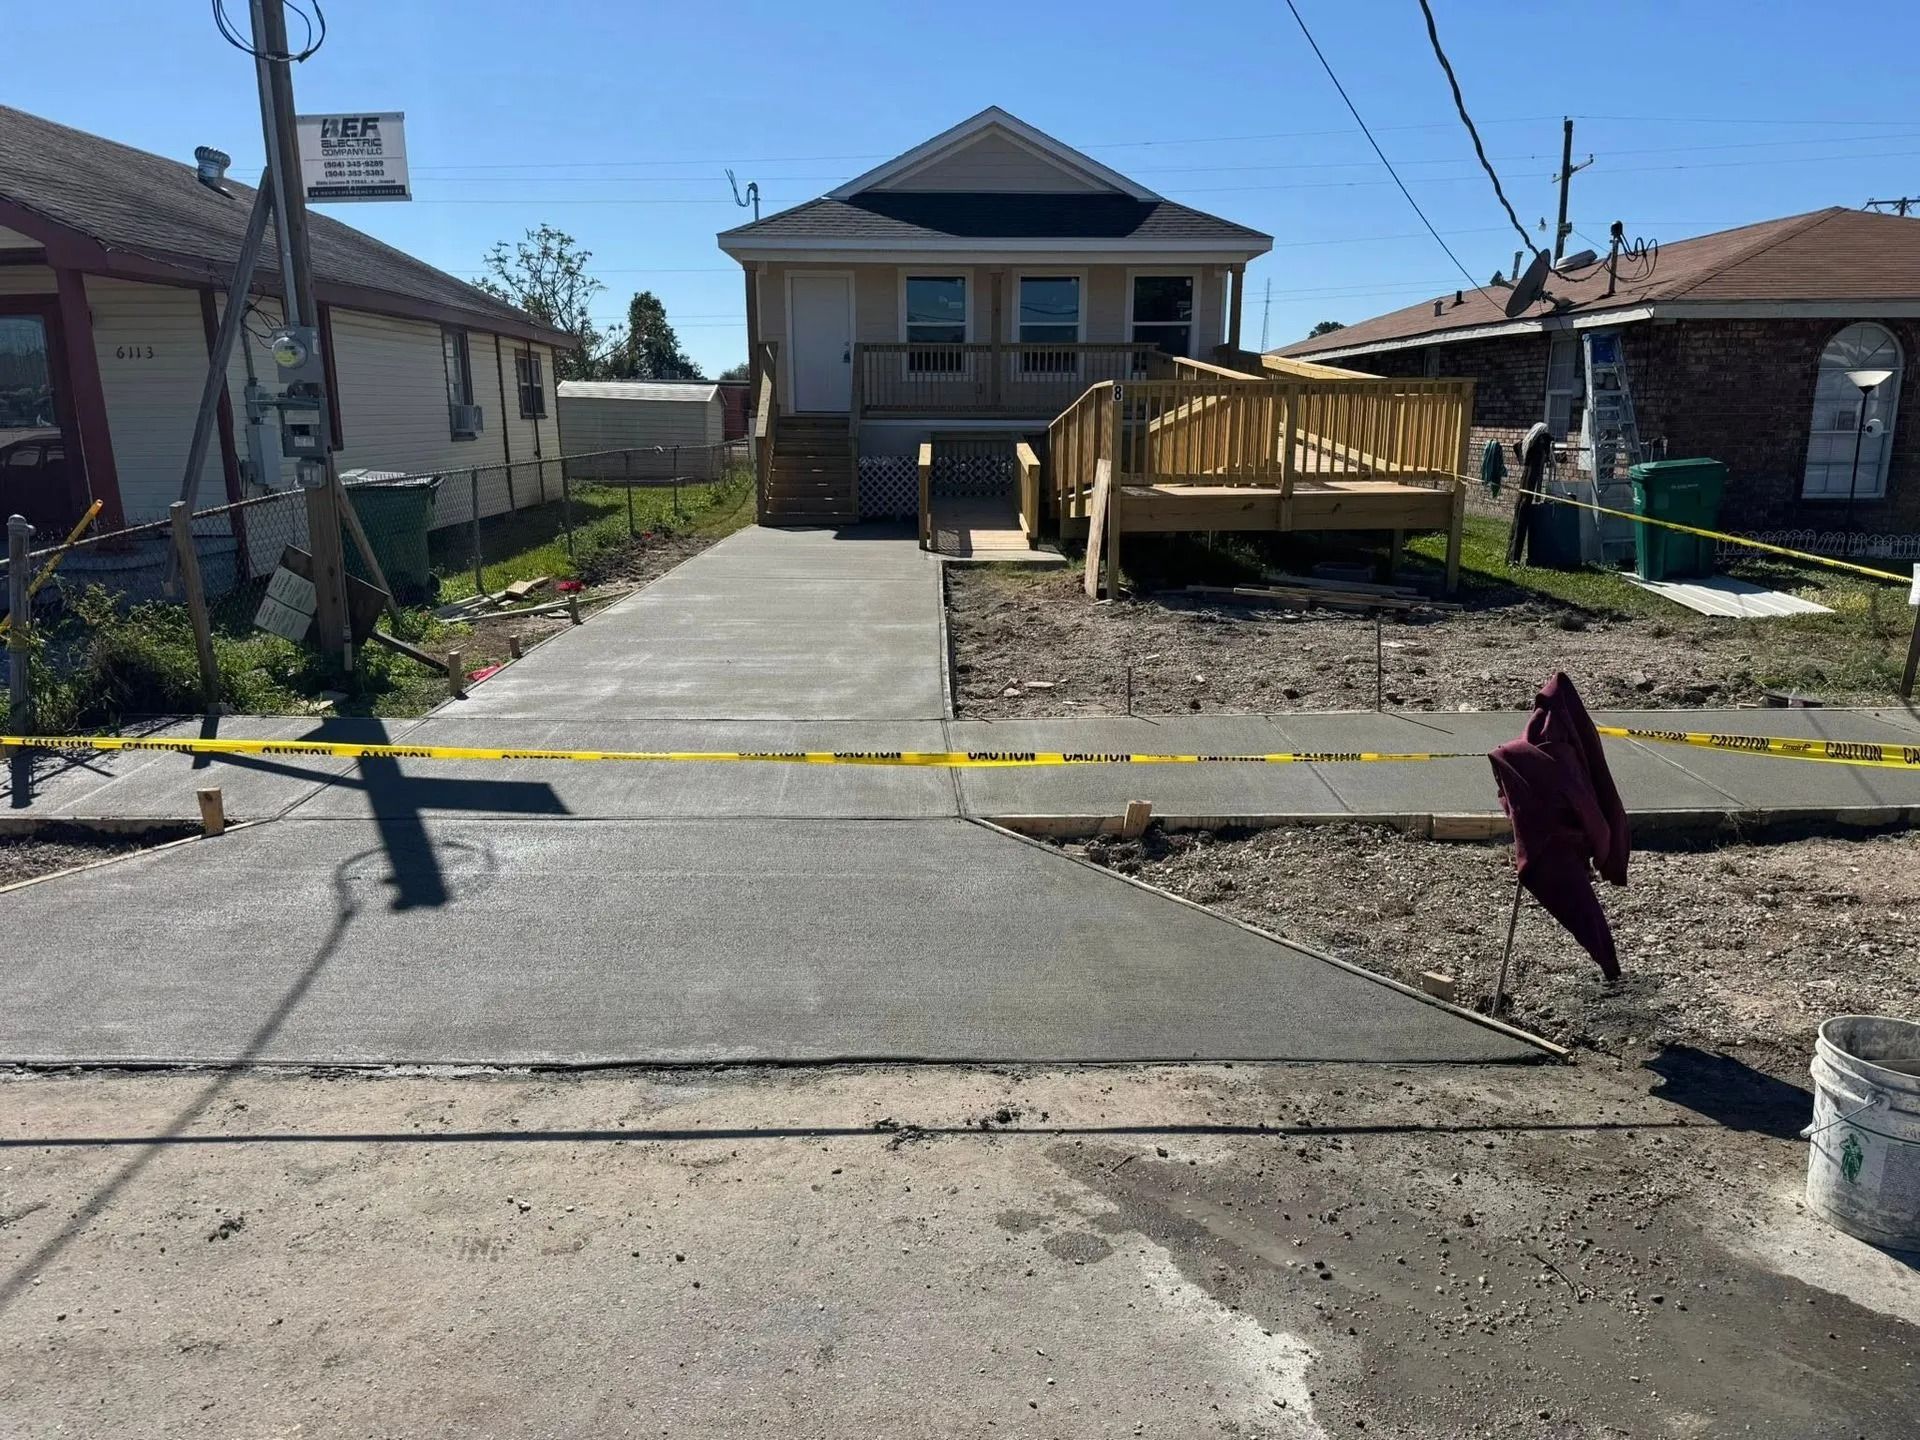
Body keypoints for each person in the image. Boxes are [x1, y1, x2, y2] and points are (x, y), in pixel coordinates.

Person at [1506, 421, 1553, 566]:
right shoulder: (1538, 447)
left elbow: (1517, 446)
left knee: (1518, 519)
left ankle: (1511, 556)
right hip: (1528, 488)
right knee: (1521, 520)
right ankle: (1514, 558)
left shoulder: (1528, 445)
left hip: (1524, 487)